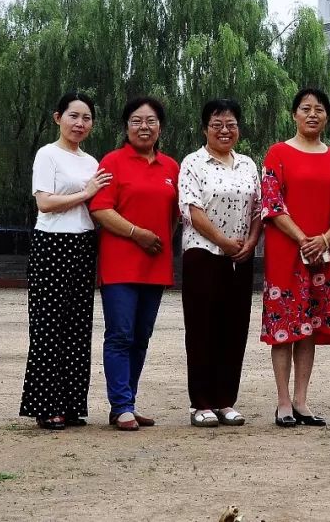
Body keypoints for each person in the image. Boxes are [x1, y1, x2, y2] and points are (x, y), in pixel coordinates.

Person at [19, 91, 112, 430]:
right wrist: (86, 193)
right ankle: (46, 406)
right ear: (58, 117)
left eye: (86, 118)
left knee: (77, 328)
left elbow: (100, 206)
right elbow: (44, 203)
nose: (80, 123)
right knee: (48, 328)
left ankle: (72, 405)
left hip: (84, 244)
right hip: (52, 245)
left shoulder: (91, 162)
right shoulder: (48, 155)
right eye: (74, 116)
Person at [90, 96, 180, 431]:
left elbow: (174, 217)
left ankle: (128, 401)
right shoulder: (112, 162)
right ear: (126, 126)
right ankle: (121, 405)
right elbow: (100, 209)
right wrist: (135, 233)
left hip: (155, 266)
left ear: (160, 127)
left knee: (141, 336)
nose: (144, 127)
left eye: (151, 121)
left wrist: (156, 239)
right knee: (120, 334)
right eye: (137, 121)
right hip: (119, 265)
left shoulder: (171, 167)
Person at [261, 87, 330, 428]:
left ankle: (302, 400)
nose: (312, 114)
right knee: (284, 329)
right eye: (305, 108)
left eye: (319, 109)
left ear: (326, 116)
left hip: (323, 255)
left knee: (308, 328)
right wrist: (303, 239)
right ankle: (282, 402)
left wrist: (324, 239)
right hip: (285, 253)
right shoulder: (277, 153)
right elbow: (271, 203)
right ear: (294, 114)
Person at [179, 99, 261, 428]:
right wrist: (223, 242)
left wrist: (251, 242)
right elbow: (193, 210)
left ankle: (226, 400)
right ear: (205, 129)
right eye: (217, 125)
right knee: (202, 329)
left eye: (231, 125)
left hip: (241, 257)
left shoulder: (248, 165)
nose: (224, 131)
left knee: (234, 328)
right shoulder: (193, 163)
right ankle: (201, 403)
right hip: (203, 253)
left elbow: (259, 210)